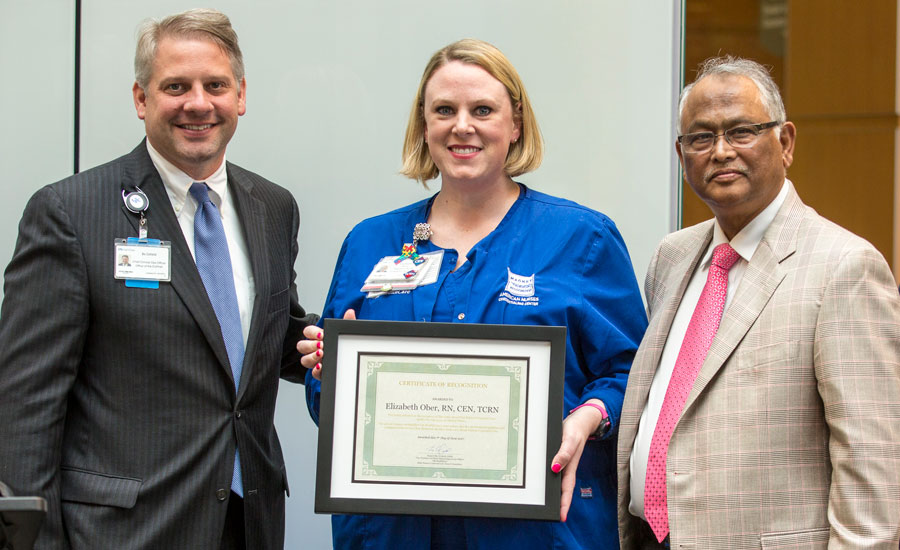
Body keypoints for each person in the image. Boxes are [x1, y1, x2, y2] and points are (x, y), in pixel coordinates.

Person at [298, 39, 647, 549]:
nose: (463, 126)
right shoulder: (369, 243)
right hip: (394, 532)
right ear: (424, 125)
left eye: (482, 109)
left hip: (534, 533)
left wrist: (587, 418)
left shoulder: (581, 239)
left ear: (516, 125)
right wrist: (329, 373)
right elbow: (328, 402)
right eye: (444, 110)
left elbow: (633, 376)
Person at [0, 9, 315, 549]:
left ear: (240, 95)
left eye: (215, 85)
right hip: (124, 531)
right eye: (176, 86)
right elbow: (25, 404)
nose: (198, 103)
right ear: (142, 99)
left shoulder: (272, 207)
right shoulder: (71, 212)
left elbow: (259, 336)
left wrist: (339, 347)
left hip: (248, 522)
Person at [617, 56, 900, 549]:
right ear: (682, 154)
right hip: (648, 539)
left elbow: (873, 469)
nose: (721, 151)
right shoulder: (672, 256)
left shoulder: (845, 266)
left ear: (785, 142)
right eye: (701, 138)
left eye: (742, 131)